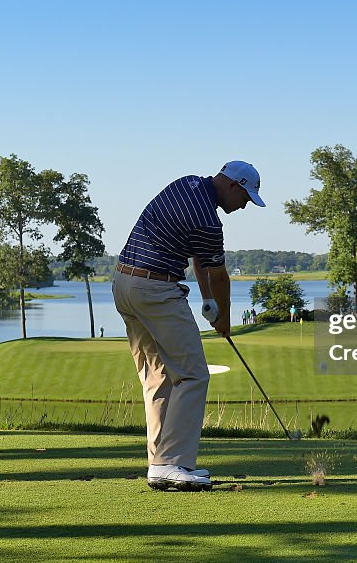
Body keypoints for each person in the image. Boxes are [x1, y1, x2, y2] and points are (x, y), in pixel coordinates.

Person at [112, 161, 264, 492]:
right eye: (245, 198)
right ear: (233, 186)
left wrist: (207, 300)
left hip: (125, 283)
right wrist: (223, 319)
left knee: (158, 377)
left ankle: (160, 464)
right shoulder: (209, 221)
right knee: (193, 373)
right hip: (155, 291)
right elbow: (220, 274)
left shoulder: (187, 185)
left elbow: (199, 259)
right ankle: (173, 462)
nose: (242, 207)